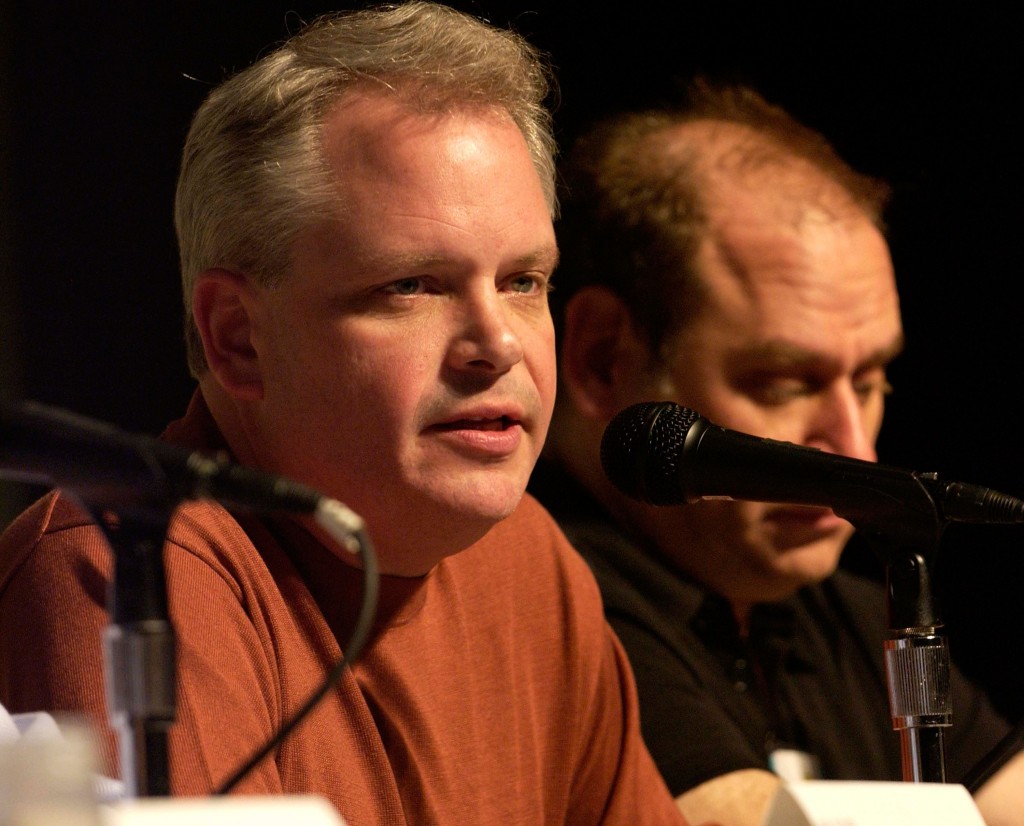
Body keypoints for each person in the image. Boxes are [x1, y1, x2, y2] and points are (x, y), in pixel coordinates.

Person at [0, 4, 691, 823]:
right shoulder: (120, 571)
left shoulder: (530, 562)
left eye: (522, 281)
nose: (496, 343)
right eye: (412, 286)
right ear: (239, 338)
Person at [530, 80, 1024, 826]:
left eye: (869, 382)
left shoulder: (850, 614)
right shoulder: (538, 597)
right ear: (604, 359)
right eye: (787, 383)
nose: (855, 449)